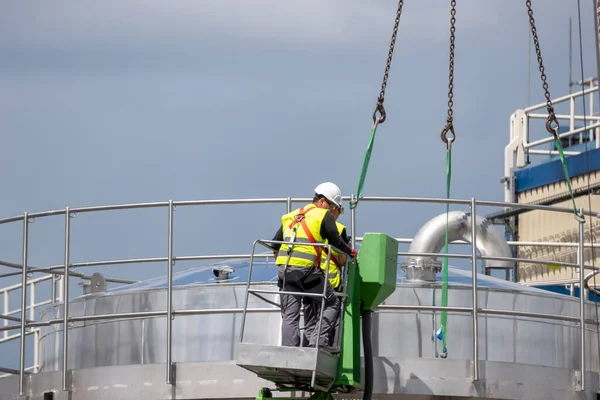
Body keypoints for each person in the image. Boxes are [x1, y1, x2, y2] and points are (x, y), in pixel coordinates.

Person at [270, 182, 356, 352]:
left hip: (285, 272)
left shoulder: (292, 216)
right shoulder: (322, 215)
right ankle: (319, 344)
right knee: (331, 303)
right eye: (332, 206)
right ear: (323, 201)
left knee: (290, 314)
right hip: (307, 272)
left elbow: (274, 244)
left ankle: (290, 352)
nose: (332, 211)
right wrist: (351, 252)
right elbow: (335, 240)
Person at [302, 203, 350, 348]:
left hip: (310, 278)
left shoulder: (309, 225)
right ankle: (321, 348)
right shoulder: (339, 229)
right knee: (328, 321)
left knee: (310, 320)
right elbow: (342, 259)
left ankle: (308, 349)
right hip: (330, 282)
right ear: (334, 211)